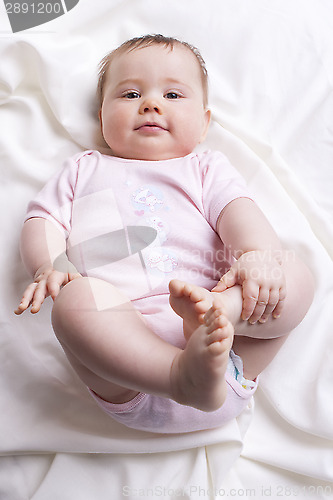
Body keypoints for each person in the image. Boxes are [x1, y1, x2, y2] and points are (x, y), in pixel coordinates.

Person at [15, 35, 314, 433]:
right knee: (76, 301)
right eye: (131, 93)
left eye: (173, 94)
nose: (151, 103)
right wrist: (49, 265)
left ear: (204, 124)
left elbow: (239, 213)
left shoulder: (205, 168)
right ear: (102, 118)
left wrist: (256, 256)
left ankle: (220, 315)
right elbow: (43, 220)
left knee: (293, 272)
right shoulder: (83, 169)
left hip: (229, 350)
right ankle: (177, 373)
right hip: (127, 371)